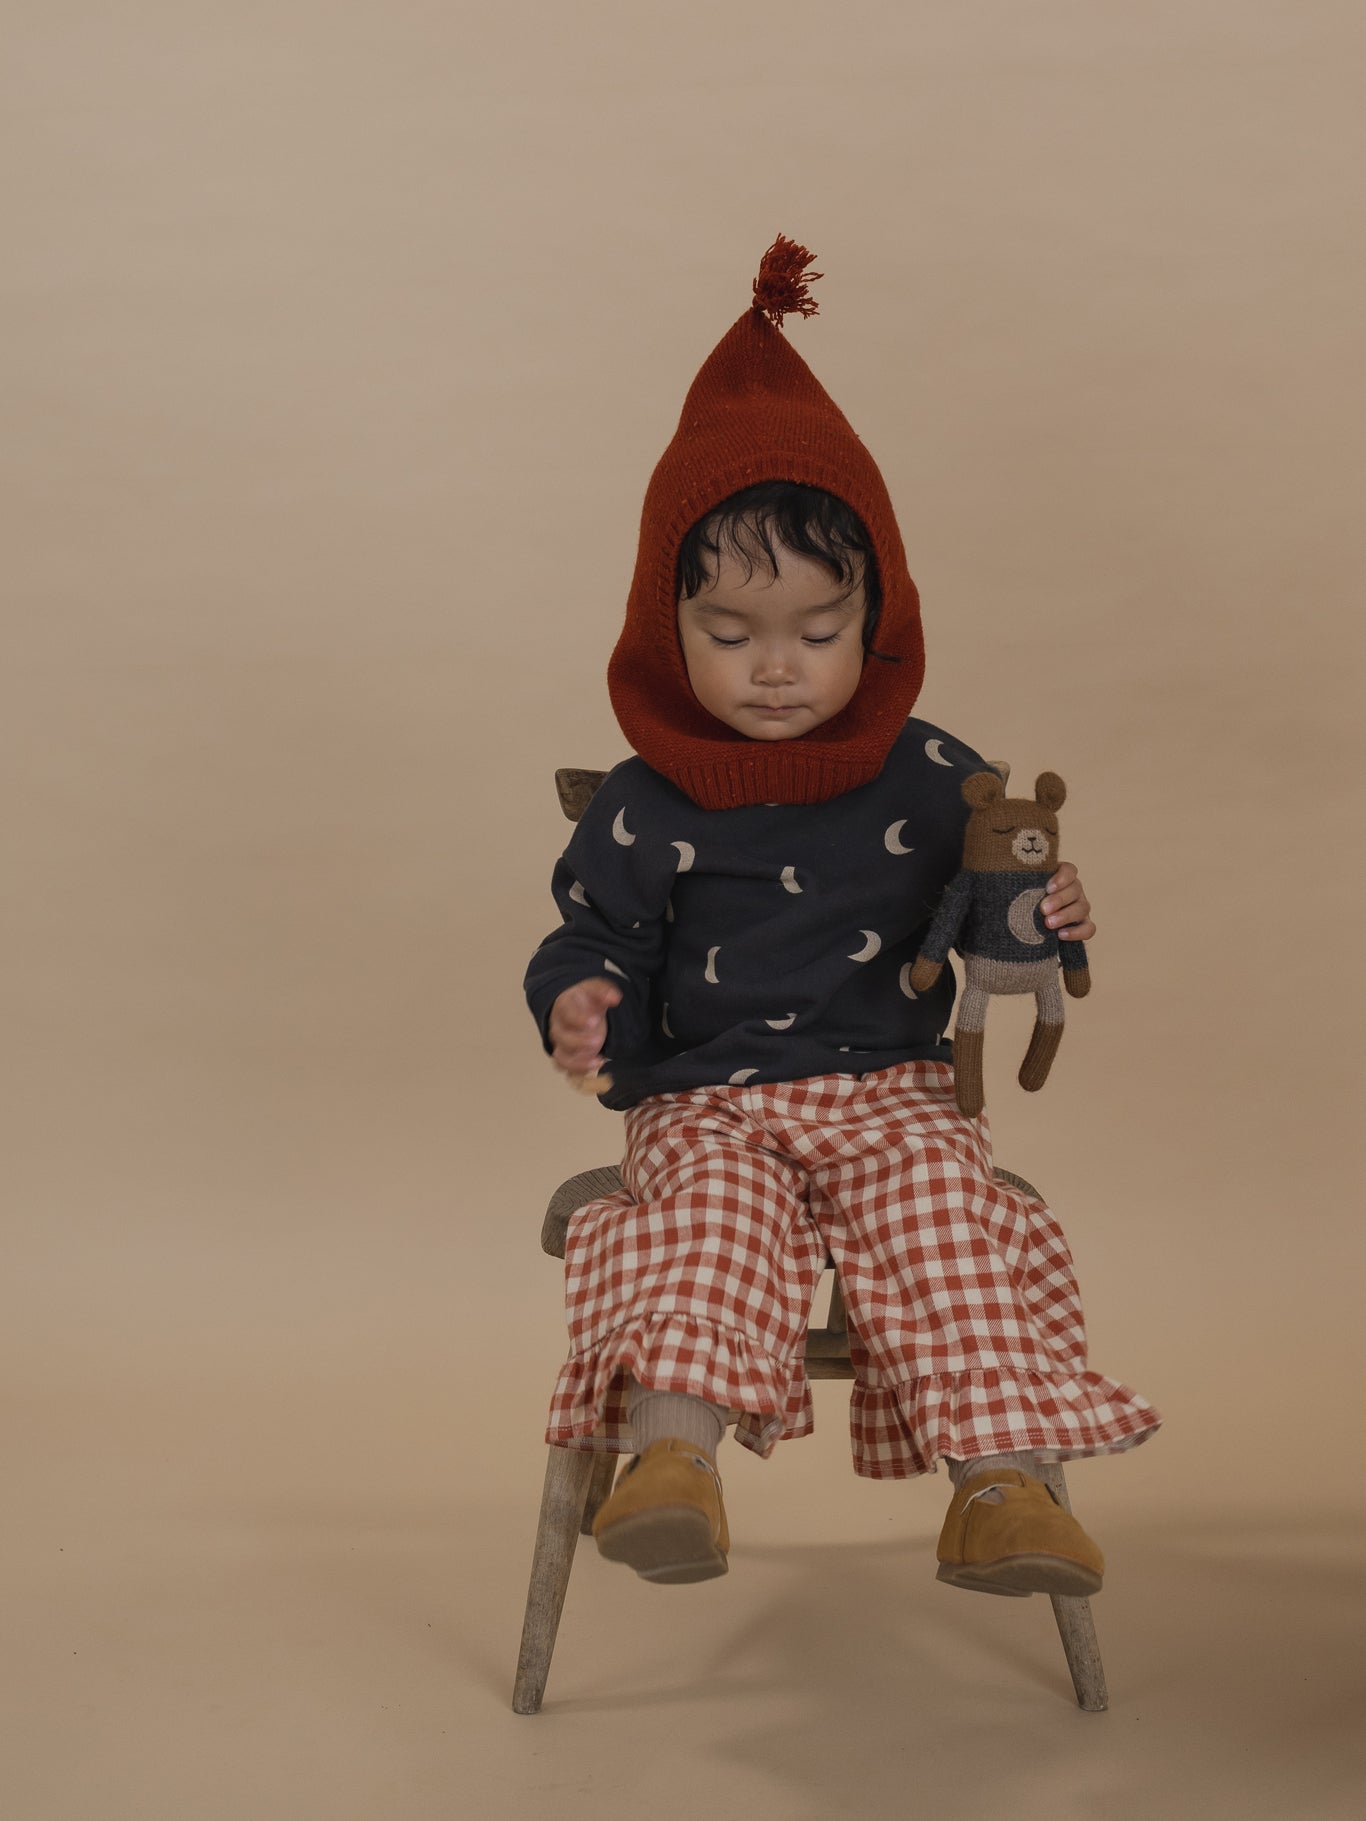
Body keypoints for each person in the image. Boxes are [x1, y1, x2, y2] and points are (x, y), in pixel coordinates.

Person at [524, 237, 1159, 1594]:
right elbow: (591, 935)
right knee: (699, 1221)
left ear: (877, 616)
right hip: (711, 1097)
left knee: (948, 1218)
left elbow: (995, 901)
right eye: (730, 629)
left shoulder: (932, 770)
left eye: (816, 627)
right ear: (664, 619)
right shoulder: (645, 801)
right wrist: (578, 1000)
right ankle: (670, 1459)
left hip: (894, 1092)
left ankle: (997, 1490)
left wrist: (1050, 910)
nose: (773, 665)